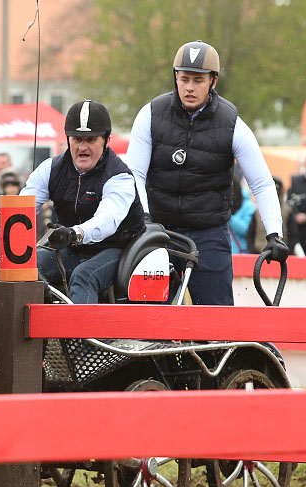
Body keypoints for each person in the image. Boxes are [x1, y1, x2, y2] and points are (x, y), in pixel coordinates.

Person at [126, 40, 287, 305]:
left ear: (212, 82)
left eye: (198, 80)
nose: (189, 87)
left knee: (216, 323)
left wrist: (274, 234)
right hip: (157, 230)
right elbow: (134, 175)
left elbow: (262, 183)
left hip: (208, 235)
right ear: (175, 78)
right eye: (184, 78)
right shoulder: (150, 114)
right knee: (149, 320)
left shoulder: (232, 123)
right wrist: (144, 221)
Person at [0, 99, 146, 304]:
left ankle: (81, 336)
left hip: (117, 248)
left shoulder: (119, 176)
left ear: (106, 140)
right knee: (26, 267)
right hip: (73, 248)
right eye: (77, 139)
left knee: (83, 276)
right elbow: (23, 205)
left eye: (90, 140)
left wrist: (75, 233)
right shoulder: (50, 169)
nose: (82, 147)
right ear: (68, 139)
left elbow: (107, 219)